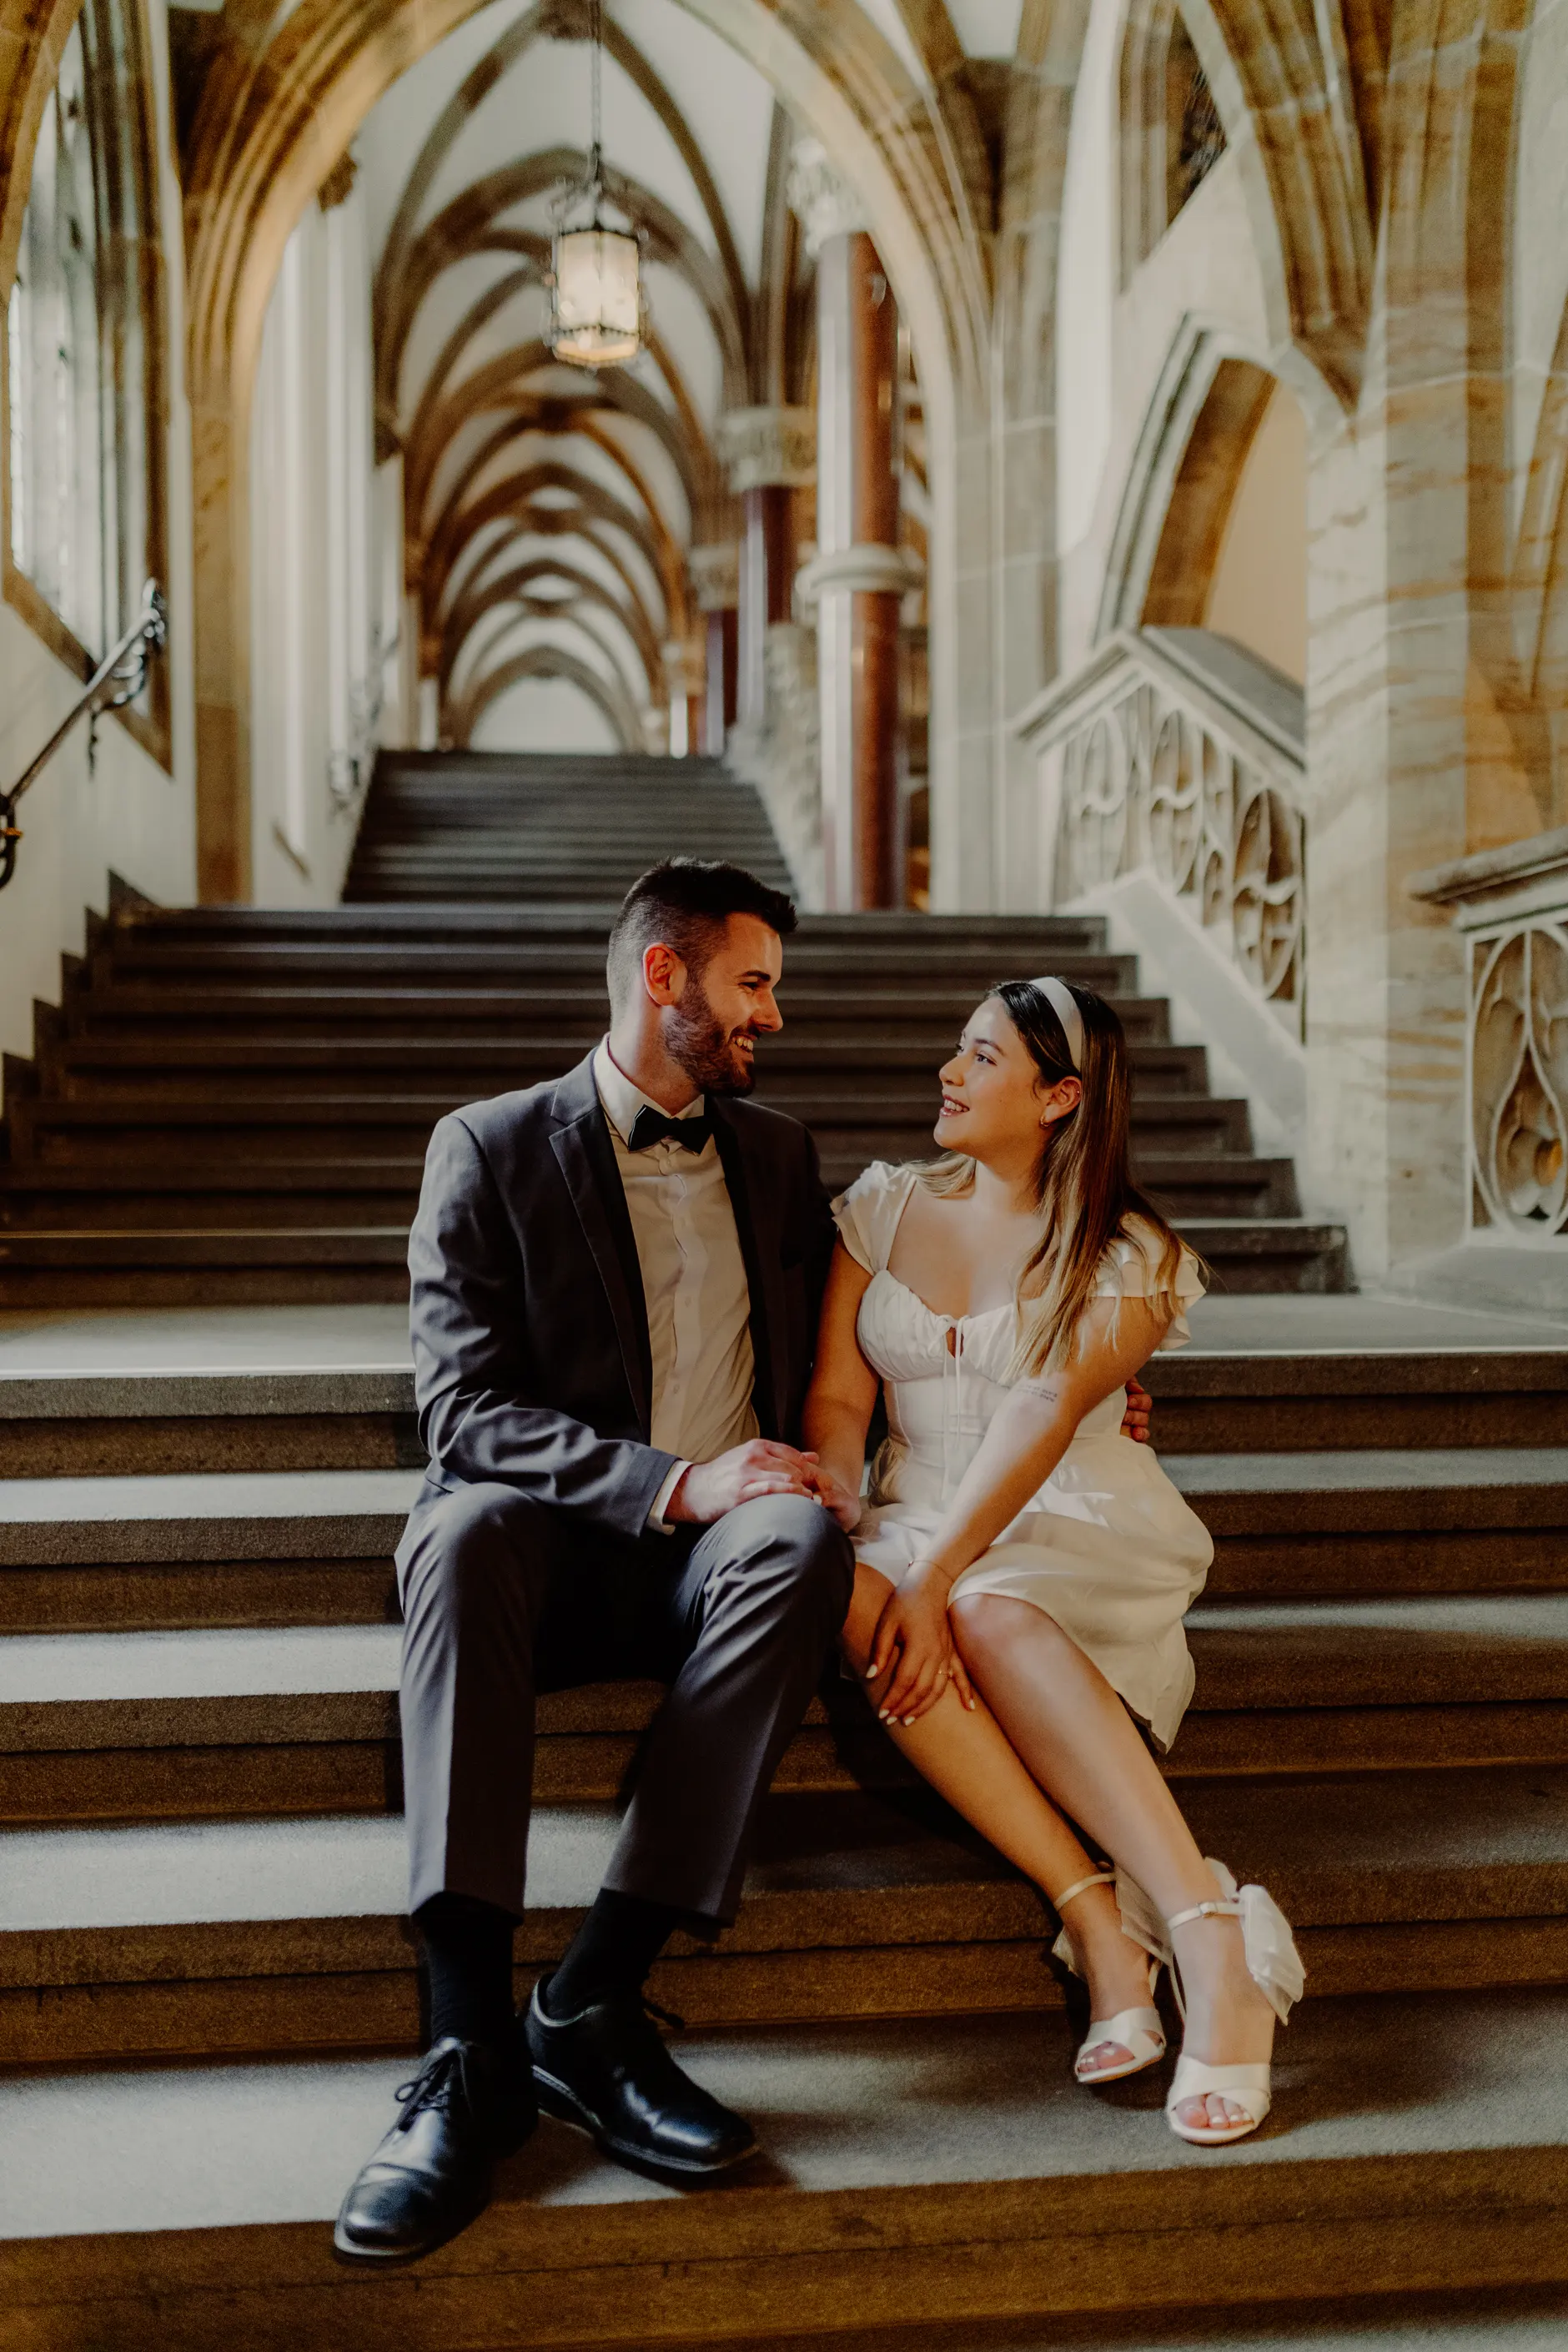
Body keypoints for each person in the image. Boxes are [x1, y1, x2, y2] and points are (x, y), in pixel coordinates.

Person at [334, 858, 857, 2263]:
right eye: (754, 985)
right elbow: (464, 1415)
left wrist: (1075, 1384)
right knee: (457, 1525)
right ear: (663, 976)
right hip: (559, 1555)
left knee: (799, 1531)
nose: (775, 1018)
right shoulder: (490, 1145)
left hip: (719, 1574)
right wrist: (673, 1482)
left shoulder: (781, 1155)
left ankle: (588, 2001)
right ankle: (463, 2058)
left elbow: (899, 1319)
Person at [801, 973, 1303, 2147]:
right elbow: (837, 1393)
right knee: (853, 1597)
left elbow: (1039, 1414)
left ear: (1061, 1096)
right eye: (957, 1050)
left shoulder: (1133, 1252)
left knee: (986, 1609)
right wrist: (833, 1484)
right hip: (907, 1504)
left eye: (981, 1058)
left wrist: (930, 1580)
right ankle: (1093, 1921)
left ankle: (1206, 1935)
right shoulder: (879, 1207)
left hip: (1066, 1506)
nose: (950, 1073)